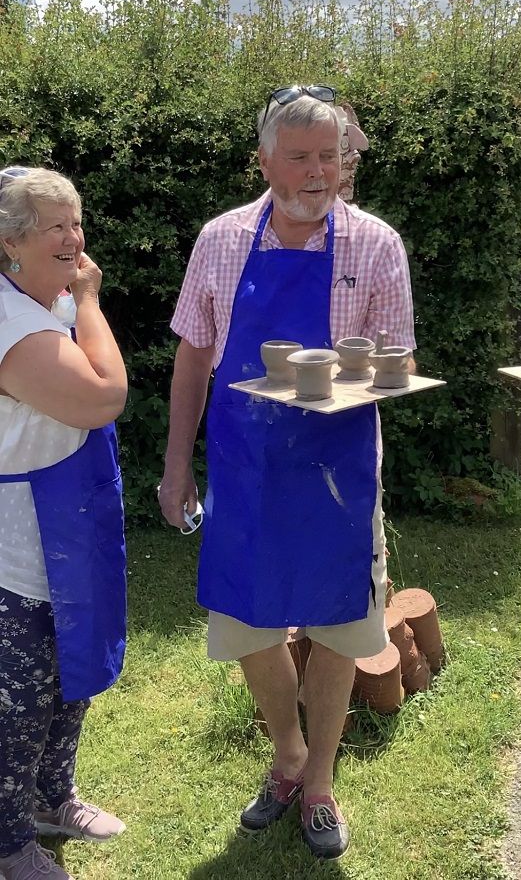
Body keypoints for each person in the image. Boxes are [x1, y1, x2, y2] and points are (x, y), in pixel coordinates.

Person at [159, 85, 416, 861]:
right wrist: (176, 464)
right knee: (246, 620)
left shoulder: (376, 244)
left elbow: (398, 362)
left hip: (338, 474)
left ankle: (322, 783)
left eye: (328, 156)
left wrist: (348, 380)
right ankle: (287, 756)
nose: (315, 173)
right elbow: (195, 354)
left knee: (340, 623)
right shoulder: (222, 238)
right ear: (264, 158)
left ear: (346, 159)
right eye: (297, 156)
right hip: (245, 467)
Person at [0, 167, 128, 880]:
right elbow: (103, 396)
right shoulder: (11, 320)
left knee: (66, 668)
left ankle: (53, 798)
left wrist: (72, 300)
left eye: (77, 222)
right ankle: (6, 837)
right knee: (16, 694)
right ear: (9, 241)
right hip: (15, 531)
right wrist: (88, 298)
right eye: (56, 225)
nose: (75, 238)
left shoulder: (41, 302)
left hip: (67, 514)